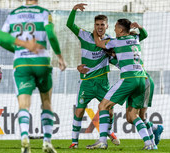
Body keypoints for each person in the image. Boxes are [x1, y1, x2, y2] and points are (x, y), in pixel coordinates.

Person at [0, 0, 66, 153]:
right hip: (42, 62)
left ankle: (24, 138)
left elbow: (1, 39)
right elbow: (51, 34)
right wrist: (60, 57)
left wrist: (17, 50)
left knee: (24, 104)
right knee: (47, 102)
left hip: (21, 63)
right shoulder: (44, 12)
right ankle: (47, 142)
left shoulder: (13, 14)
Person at [86, 19, 155, 150]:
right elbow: (144, 34)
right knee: (133, 115)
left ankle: (102, 141)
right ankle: (149, 143)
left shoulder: (116, 41)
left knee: (103, 105)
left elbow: (98, 43)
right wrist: (140, 27)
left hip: (130, 78)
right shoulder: (135, 37)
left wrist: (95, 32)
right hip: (142, 78)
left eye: (116, 27)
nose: (114, 30)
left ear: (121, 30)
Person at [66, 3, 120, 148]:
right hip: (87, 82)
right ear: (94, 25)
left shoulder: (109, 41)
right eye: (97, 24)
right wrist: (74, 10)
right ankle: (74, 142)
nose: (99, 27)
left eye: (102, 24)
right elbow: (70, 24)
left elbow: (114, 58)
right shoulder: (85, 35)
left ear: (107, 26)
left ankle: (108, 132)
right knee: (79, 110)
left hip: (103, 82)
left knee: (109, 110)